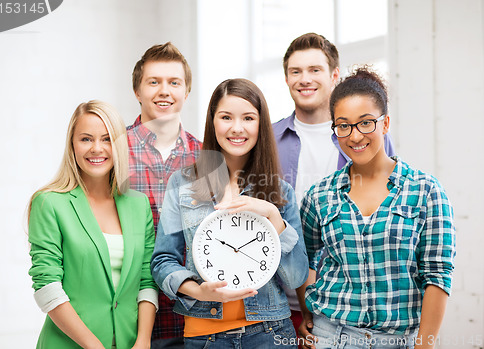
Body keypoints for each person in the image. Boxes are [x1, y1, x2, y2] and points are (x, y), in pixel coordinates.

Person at [298, 67, 456, 349]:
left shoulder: (426, 191)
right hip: (329, 336)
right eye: (343, 125)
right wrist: (307, 312)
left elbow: (438, 275)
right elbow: (304, 258)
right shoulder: (320, 194)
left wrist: (425, 344)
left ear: (385, 124)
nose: (355, 136)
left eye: (366, 122)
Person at [151, 78, 309, 348]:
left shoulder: (280, 192)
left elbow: (296, 277)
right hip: (204, 336)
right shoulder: (183, 183)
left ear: (261, 124)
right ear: (213, 122)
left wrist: (272, 215)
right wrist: (197, 291)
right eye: (226, 117)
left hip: (270, 333)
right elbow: (163, 261)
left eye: (248, 118)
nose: (237, 128)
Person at [272, 32, 396, 334]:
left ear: (334, 75)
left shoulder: (367, 138)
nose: (305, 79)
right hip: (276, 302)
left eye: (315, 70)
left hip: (345, 302)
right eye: (295, 71)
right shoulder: (268, 139)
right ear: (286, 78)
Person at [28, 100, 158, 348]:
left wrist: (143, 340)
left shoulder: (139, 205)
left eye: (107, 139)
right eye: (86, 139)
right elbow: (47, 287)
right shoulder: (49, 203)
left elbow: (146, 281)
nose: (96, 148)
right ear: (72, 145)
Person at [127, 42, 202, 348]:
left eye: (174, 82)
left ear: (186, 92)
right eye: (153, 82)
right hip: (127, 317)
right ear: (137, 90)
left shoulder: (207, 158)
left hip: (191, 318)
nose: (164, 91)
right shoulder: (112, 153)